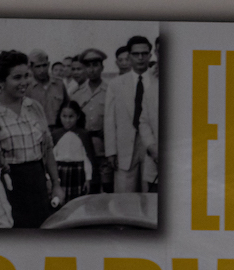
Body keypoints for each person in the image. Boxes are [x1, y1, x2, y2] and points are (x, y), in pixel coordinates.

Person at [0, 50, 58, 228]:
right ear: (1, 82)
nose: (24, 82)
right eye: (17, 78)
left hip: (38, 182)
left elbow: (48, 149)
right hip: (8, 185)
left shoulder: (34, 107)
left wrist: (56, 184)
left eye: (27, 76)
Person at [104, 35, 157, 193]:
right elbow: (109, 120)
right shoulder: (116, 84)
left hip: (150, 146)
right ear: (129, 55)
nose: (140, 58)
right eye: (136, 54)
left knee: (150, 195)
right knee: (124, 198)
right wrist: (111, 151)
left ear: (150, 55)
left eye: (144, 53)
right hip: (124, 147)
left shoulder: (158, 82)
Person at [70, 48, 110, 186]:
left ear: (102, 67)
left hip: (104, 147)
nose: (92, 70)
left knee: (106, 187)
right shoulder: (76, 94)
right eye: (88, 66)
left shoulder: (111, 90)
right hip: (84, 148)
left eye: (95, 65)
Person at [51, 98, 93, 203]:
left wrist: (88, 179)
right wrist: (50, 179)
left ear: (78, 116)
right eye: (64, 116)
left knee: (77, 204)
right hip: (59, 173)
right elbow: (50, 158)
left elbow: (87, 159)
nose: (67, 120)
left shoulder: (83, 134)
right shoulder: (55, 135)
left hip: (78, 172)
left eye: (71, 117)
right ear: (59, 116)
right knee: (60, 203)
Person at [28, 50, 68, 132]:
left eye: (44, 65)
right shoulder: (27, 87)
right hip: (36, 131)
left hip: (59, 130)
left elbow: (67, 106)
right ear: (31, 68)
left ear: (49, 64)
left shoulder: (59, 84)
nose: (42, 70)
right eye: (38, 66)